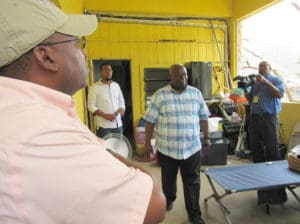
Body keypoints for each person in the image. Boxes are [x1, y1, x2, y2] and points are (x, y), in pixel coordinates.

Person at [0, 1, 166, 224]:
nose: (84, 51)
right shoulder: (42, 133)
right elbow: (152, 205)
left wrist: (117, 115)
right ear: (46, 56)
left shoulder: (17, 111)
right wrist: (100, 150)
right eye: (77, 42)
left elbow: (121, 102)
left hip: (116, 120)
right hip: (104, 125)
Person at [143, 64, 210, 224]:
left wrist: (207, 137)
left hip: (191, 148)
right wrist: (147, 144)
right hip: (167, 149)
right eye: (179, 76)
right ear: (171, 77)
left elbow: (203, 116)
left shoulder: (196, 94)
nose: (183, 78)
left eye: (185, 75)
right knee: (168, 179)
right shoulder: (160, 95)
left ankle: (194, 215)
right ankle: (170, 198)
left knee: (192, 181)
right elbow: (150, 121)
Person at [247, 61, 287, 205]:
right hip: (255, 119)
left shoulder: (275, 79)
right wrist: (245, 90)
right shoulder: (256, 83)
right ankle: (262, 191)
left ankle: (277, 193)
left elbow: (279, 94)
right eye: (259, 67)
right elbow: (251, 100)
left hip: (269, 119)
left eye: (264, 67)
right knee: (256, 150)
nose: (261, 69)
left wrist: (266, 82)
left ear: (269, 68)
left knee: (272, 151)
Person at [88, 63, 126, 138]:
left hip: (118, 125)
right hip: (103, 127)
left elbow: (121, 103)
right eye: (105, 70)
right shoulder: (94, 87)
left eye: (110, 70)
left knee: (118, 147)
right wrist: (106, 116)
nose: (108, 72)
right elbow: (90, 106)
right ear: (101, 72)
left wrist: (121, 111)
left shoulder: (116, 85)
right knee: (104, 148)